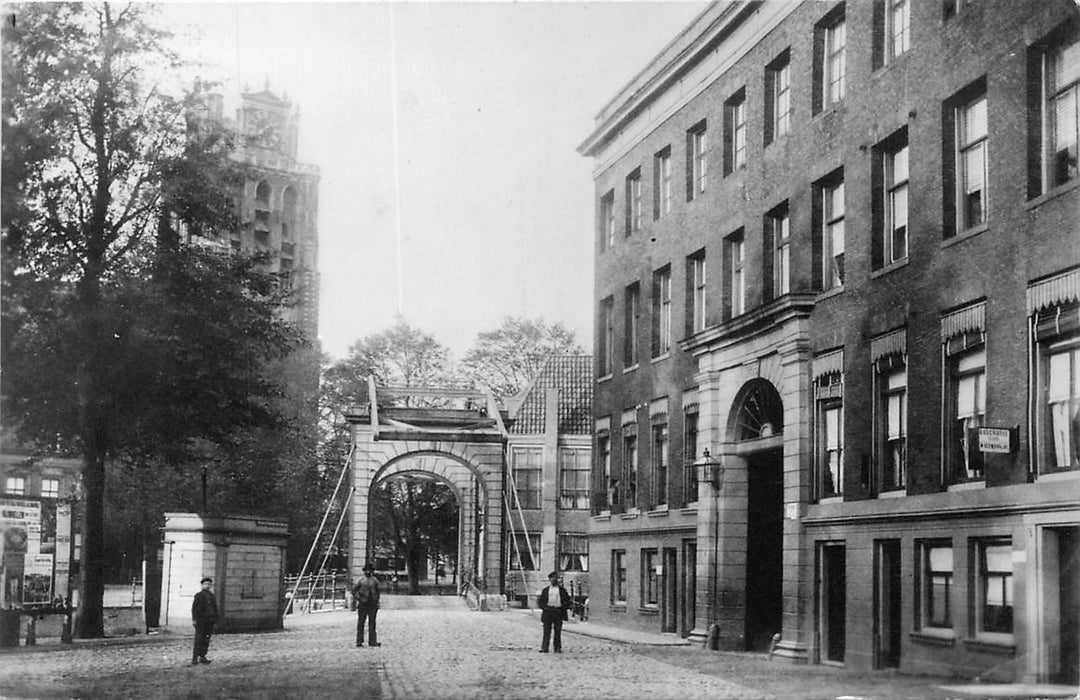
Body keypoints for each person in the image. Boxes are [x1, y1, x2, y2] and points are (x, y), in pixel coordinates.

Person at [537, 570, 571, 653]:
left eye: (555, 578)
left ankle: (557, 648)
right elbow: (541, 601)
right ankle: (544, 647)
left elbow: (567, 601)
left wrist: (563, 608)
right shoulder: (546, 590)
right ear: (550, 580)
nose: (554, 580)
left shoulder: (562, 590)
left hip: (558, 612)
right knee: (546, 631)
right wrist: (545, 608)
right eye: (552, 578)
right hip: (548, 611)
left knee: (557, 631)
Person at [353, 562, 381, 648]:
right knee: (361, 623)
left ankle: (372, 641)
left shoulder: (375, 581)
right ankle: (359, 641)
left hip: (372, 604)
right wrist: (359, 598)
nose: (368, 572)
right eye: (366, 571)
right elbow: (354, 591)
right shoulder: (361, 581)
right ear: (364, 571)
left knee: (372, 623)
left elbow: (378, 592)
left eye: (370, 570)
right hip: (363, 603)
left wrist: (377, 601)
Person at [191, 576, 218, 665]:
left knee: (206, 640)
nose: (207, 586)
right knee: (199, 639)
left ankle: (203, 656)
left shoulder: (212, 596)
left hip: (209, 621)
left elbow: (215, 608)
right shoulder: (199, 595)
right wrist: (194, 619)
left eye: (209, 584)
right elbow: (194, 608)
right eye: (205, 584)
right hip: (201, 621)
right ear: (202, 585)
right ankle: (194, 658)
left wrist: (215, 620)